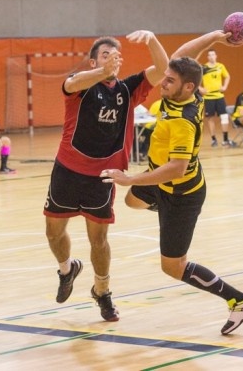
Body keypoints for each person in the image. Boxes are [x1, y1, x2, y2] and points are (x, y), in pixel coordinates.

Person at [99, 30, 243, 335]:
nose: (163, 82)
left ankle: (239, 300)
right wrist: (214, 36)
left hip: (182, 193)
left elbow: (176, 168)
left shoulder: (184, 120)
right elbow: (183, 56)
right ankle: (163, 211)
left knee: (172, 266)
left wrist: (130, 177)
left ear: (188, 87)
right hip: (162, 183)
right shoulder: (187, 90)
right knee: (132, 200)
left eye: (170, 80)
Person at [43, 30, 168, 322]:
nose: (113, 59)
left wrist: (151, 39)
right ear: (92, 61)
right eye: (105, 54)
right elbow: (70, 83)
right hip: (68, 170)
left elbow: (163, 69)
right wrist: (102, 72)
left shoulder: (127, 90)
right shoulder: (81, 84)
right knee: (53, 232)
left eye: (116, 55)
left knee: (98, 240)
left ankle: (103, 291)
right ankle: (66, 269)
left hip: (103, 175)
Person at [200, 49, 234, 147]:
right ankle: (214, 139)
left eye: (213, 54)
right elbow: (195, 79)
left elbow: (227, 76)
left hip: (219, 96)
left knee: (224, 117)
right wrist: (200, 88)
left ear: (216, 56)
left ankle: (225, 139)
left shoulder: (220, 66)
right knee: (210, 119)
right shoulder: (204, 68)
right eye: (209, 55)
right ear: (207, 57)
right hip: (208, 97)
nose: (211, 56)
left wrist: (225, 86)